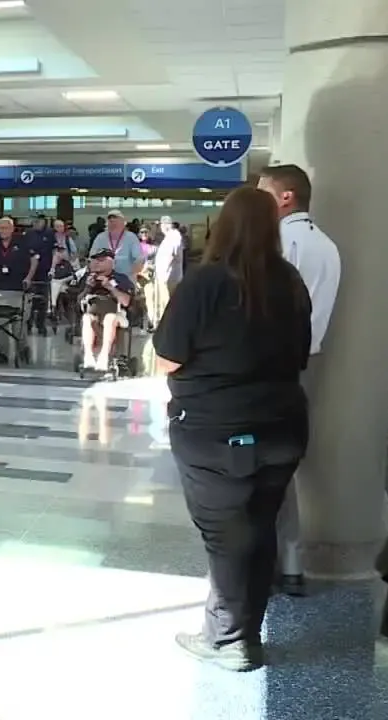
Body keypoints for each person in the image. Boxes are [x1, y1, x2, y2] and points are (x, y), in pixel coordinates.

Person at [154, 186, 312, 672]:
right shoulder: (290, 282)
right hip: (283, 426)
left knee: (225, 536)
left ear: (223, 226)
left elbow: (167, 358)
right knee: (261, 528)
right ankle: (245, 634)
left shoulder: (204, 284)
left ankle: (229, 642)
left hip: (215, 432)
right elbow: (301, 355)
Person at [258, 164, 342, 596]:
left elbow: (268, 310)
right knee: (283, 466)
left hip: (271, 366)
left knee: (266, 469)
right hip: (303, 364)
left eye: (263, 193)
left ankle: (277, 563)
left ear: (286, 197)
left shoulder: (282, 243)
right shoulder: (327, 245)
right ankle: (289, 562)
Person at [0, 217, 39, 364]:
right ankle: (3, 353)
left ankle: (22, 349)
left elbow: (34, 259)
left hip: (21, 287)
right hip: (3, 287)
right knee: (2, 322)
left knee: (18, 323)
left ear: (12, 229)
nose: (3, 231)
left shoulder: (22, 241)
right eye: (0, 228)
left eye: (6, 228)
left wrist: (29, 277)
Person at [75, 248, 136, 373]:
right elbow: (77, 302)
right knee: (87, 318)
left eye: (101, 260)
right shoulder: (88, 278)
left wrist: (110, 287)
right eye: (95, 260)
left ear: (111, 262)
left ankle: (104, 355)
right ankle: (89, 356)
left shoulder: (120, 278)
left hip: (116, 313)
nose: (96, 263)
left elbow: (126, 302)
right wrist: (87, 288)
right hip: (94, 312)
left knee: (109, 318)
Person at [149, 215, 184, 329]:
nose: (160, 228)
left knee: (169, 303)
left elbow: (171, 255)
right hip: (164, 276)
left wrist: (163, 272)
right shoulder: (169, 237)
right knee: (165, 303)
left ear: (166, 225)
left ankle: (170, 326)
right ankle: (167, 325)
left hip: (169, 277)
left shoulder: (174, 236)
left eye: (161, 225)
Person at [90, 209, 144, 280]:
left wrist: (133, 274)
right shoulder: (100, 237)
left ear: (122, 222)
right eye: (110, 219)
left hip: (126, 279)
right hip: (105, 279)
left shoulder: (131, 237)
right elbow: (92, 257)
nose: (112, 221)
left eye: (115, 218)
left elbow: (139, 258)